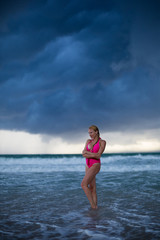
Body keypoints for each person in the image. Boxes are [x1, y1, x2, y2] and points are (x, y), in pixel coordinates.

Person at [81, 125, 106, 209]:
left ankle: (93, 206)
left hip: (96, 165)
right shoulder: (88, 141)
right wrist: (92, 154)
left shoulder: (102, 142)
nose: (90, 134)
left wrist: (89, 154)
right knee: (92, 188)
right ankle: (95, 208)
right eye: (89, 133)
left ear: (96, 132)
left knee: (83, 184)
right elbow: (83, 153)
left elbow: (98, 156)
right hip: (87, 165)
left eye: (91, 132)